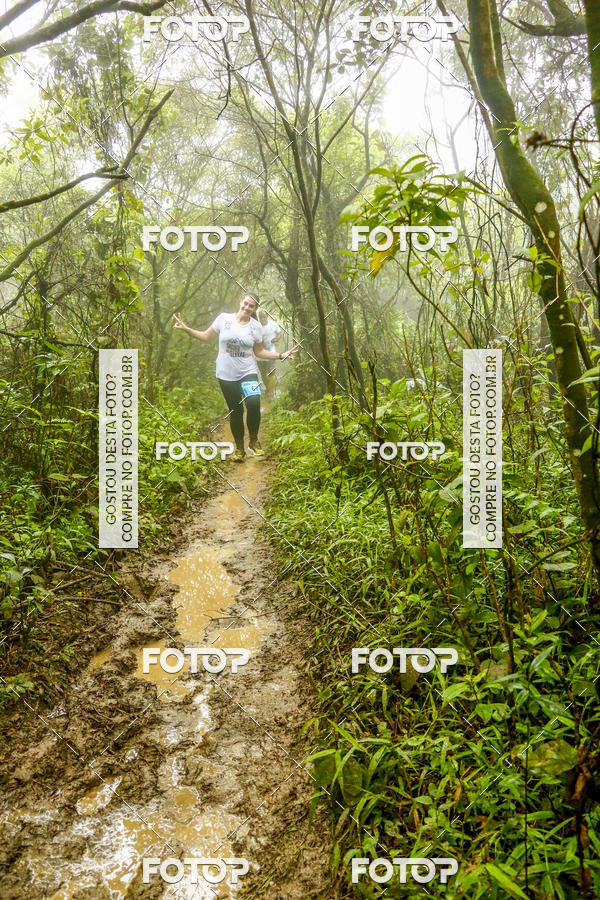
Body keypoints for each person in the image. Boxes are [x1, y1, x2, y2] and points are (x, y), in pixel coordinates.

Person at [173, 294, 296, 462]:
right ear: (240, 302)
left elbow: (259, 351)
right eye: (246, 303)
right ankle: (239, 449)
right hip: (225, 374)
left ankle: (253, 441)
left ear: (255, 309)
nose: (247, 307)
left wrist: (280, 355)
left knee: (253, 402)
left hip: (247, 372)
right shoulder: (223, 319)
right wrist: (186, 328)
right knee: (236, 411)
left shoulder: (256, 327)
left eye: (251, 306)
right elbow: (206, 337)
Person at [257, 309, 282, 397]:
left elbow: (279, 333)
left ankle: (271, 393)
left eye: (264, 317)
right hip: (260, 355)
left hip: (271, 353)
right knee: (263, 374)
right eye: (261, 317)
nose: (263, 319)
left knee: (272, 372)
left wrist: (277, 338)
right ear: (259, 318)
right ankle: (268, 390)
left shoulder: (273, 324)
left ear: (267, 316)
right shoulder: (256, 326)